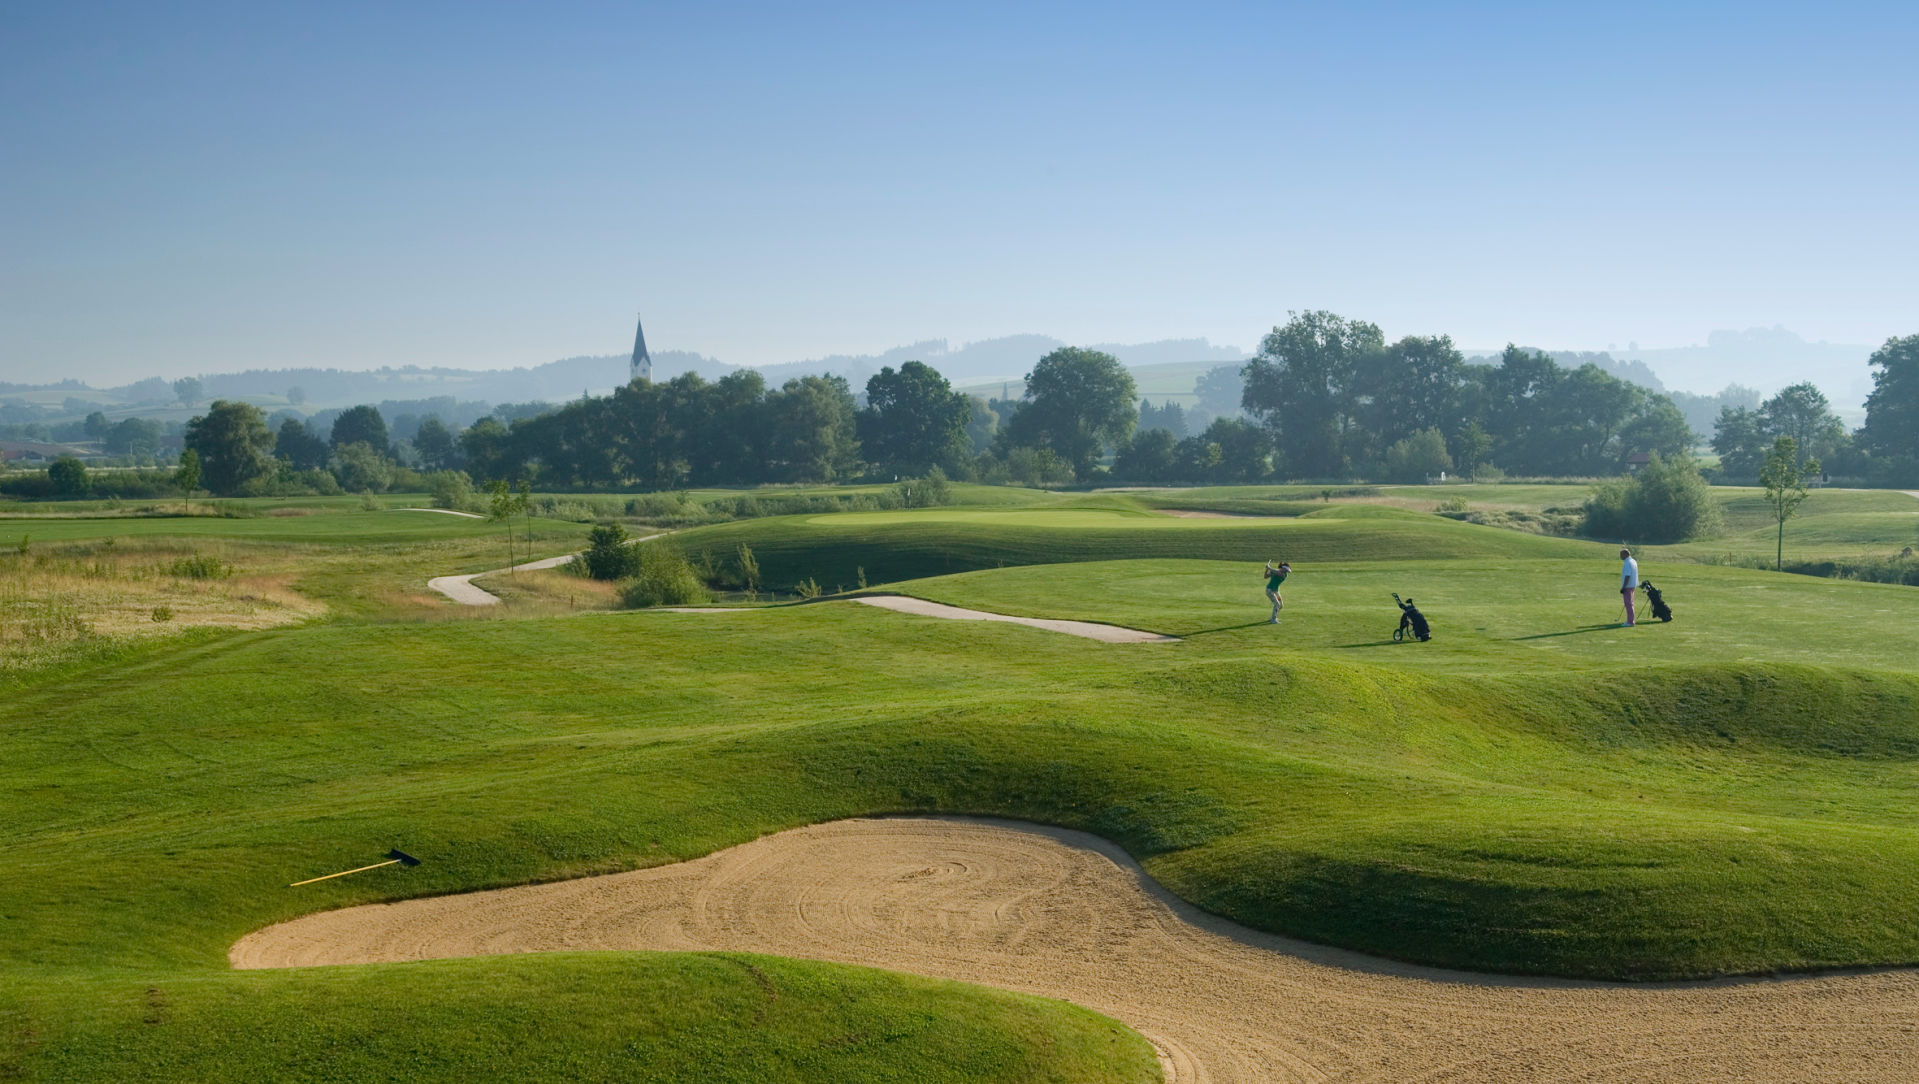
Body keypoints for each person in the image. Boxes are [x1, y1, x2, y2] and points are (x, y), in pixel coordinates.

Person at [1618, 547, 1639, 626]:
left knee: (1628, 604)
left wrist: (1623, 587)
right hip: (1633, 585)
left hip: (1628, 586)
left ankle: (1630, 622)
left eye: (1621, 555)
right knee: (1630, 603)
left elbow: (1627, 576)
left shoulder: (1628, 563)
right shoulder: (1633, 561)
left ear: (1625, 555)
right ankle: (1631, 620)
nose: (1620, 556)